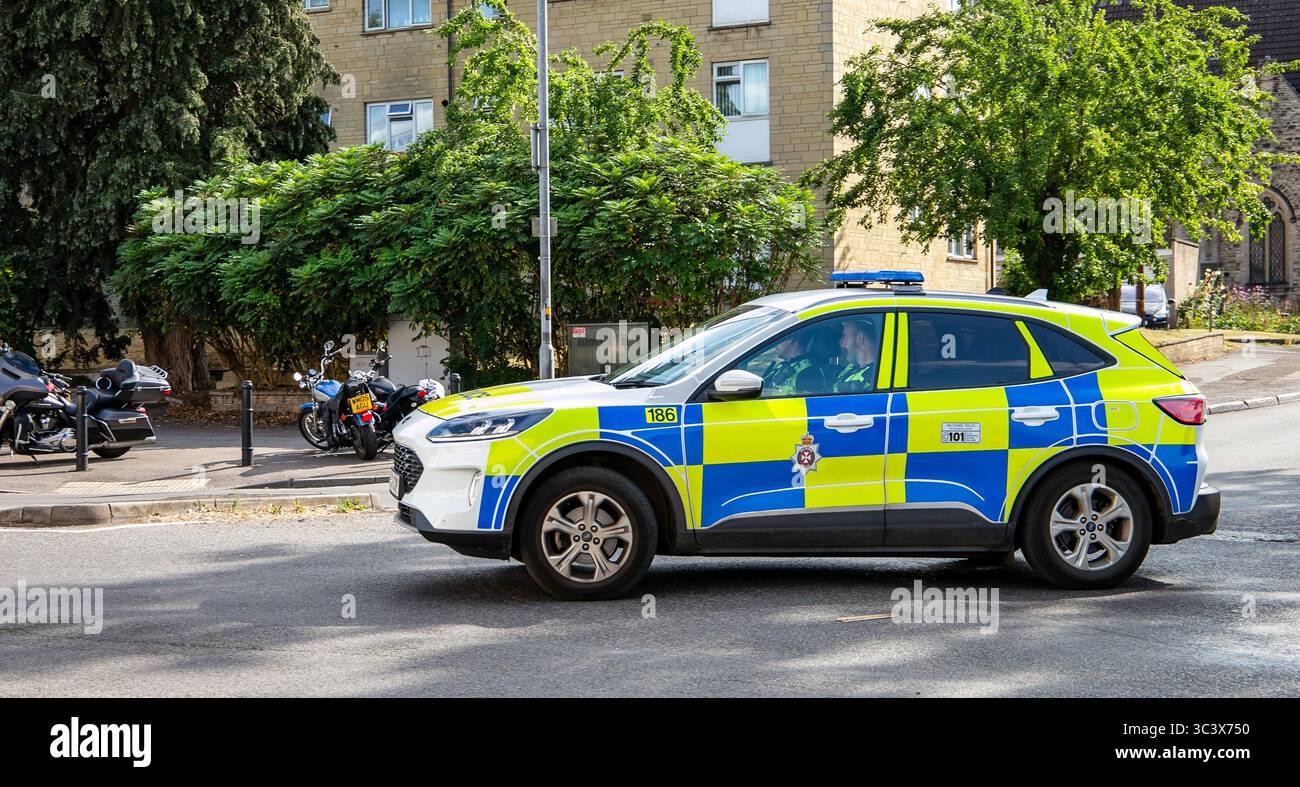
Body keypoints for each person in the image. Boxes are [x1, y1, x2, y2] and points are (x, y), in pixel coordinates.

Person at [761, 333, 825, 396]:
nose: (775, 345)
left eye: (778, 340)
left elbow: (810, 403)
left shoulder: (809, 373)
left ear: (790, 339)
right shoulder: (780, 366)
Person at [832, 319, 878, 393]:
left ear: (859, 338)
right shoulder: (852, 367)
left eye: (844, 336)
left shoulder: (872, 379)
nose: (841, 344)